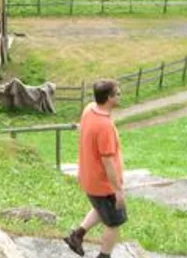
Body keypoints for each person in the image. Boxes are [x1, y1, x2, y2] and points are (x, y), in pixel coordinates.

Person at [64, 79, 127, 257]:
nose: (121, 96)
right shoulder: (105, 126)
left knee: (101, 209)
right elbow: (108, 162)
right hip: (104, 185)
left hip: (89, 178)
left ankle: (77, 236)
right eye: (118, 94)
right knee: (114, 223)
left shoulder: (89, 110)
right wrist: (118, 191)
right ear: (109, 98)